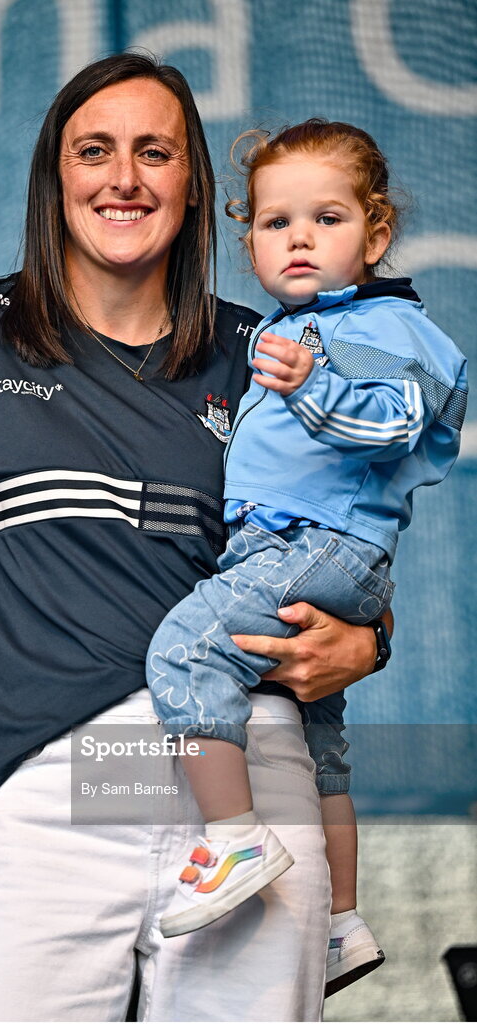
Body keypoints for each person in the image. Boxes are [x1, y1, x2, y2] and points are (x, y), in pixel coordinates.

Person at [0, 55, 394, 1022]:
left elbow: (348, 544)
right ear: (57, 178)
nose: (123, 179)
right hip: (57, 787)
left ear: (194, 185)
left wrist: (366, 644)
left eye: (154, 153)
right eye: (95, 152)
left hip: (250, 779)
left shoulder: (268, 353)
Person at [147, 118, 467, 995]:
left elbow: (396, 421)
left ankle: (234, 841)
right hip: (303, 547)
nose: (297, 239)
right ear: (247, 238)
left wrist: (313, 385)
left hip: (313, 543)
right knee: (315, 737)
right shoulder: (302, 329)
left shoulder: (379, 325)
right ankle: (339, 923)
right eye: (275, 222)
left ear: (376, 232)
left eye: (325, 219)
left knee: (183, 648)